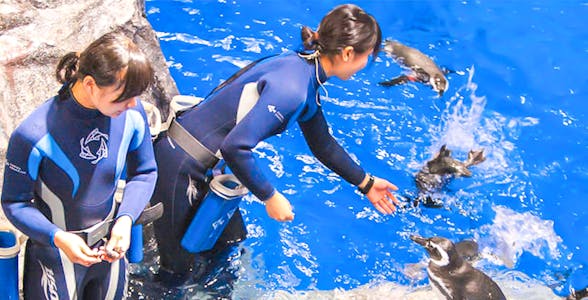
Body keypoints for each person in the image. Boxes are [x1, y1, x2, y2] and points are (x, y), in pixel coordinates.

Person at [150, 3, 399, 291]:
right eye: (368, 55)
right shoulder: (292, 90)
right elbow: (236, 147)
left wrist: (366, 183)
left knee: (228, 247)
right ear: (347, 53)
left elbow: (323, 144)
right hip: (180, 167)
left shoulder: (303, 70)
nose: (367, 62)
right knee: (176, 276)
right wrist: (270, 196)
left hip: (205, 168)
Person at [1, 32, 157, 299]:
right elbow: (14, 203)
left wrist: (125, 220)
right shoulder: (34, 134)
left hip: (110, 253)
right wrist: (59, 237)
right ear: (90, 84)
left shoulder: (132, 113)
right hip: (56, 258)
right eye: (122, 97)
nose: (132, 104)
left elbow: (144, 172)